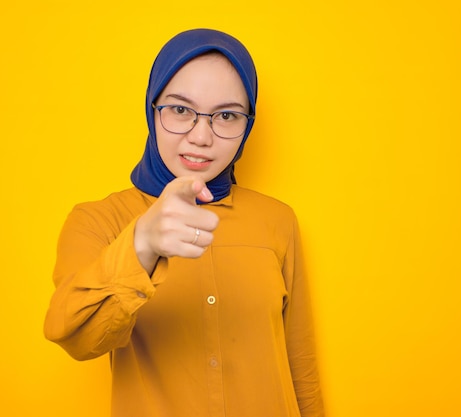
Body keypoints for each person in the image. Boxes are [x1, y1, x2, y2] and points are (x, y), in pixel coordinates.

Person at [44, 28, 325, 417]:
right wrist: (141, 244)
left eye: (226, 115)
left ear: (248, 123)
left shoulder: (278, 220)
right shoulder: (97, 221)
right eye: (180, 110)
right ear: (152, 109)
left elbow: (300, 362)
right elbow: (75, 336)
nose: (201, 136)